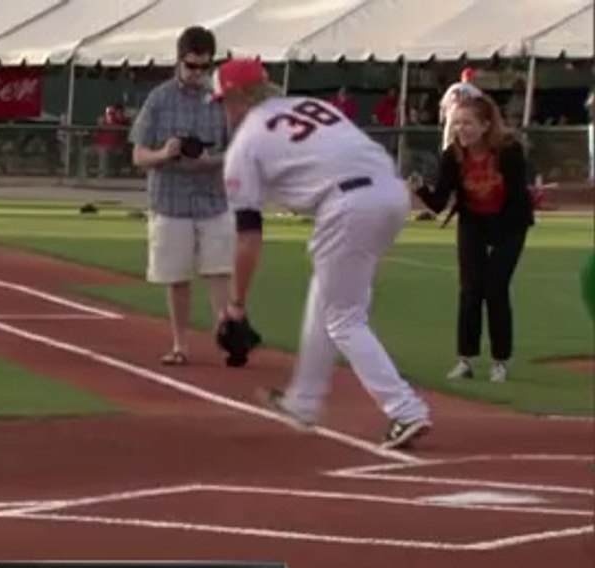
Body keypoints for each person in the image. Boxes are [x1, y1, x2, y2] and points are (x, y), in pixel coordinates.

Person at [214, 58, 432, 450]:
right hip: (392, 193)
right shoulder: (310, 106)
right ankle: (304, 400)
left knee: (343, 317)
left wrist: (235, 305)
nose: (222, 109)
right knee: (330, 296)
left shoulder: (246, 142)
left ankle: (405, 409)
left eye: (223, 100)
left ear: (238, 97)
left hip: (347, 204)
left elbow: (248, 238)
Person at [410, 96, 534, 384]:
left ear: (485, 125)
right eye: (456, 123)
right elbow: (440, 202)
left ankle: (500, 362)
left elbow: (517, 196)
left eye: (468, 123)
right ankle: (465, 359)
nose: (461, 129)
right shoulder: (453, 155)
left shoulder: (508, 152)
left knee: (496, 288)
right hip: (473, 222)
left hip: (509, 224)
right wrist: (420, 190)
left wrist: (498, 241)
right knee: (469, 291)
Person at [129, 26, 234, 366]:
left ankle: (227, 338)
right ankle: (180, 344)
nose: (197, 74)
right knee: (176, 276)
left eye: (204, 67)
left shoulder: (222, 100)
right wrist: (164, 153)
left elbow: (239, 153)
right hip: (170, 198)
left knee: (219, 271)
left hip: (212, 197)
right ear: (178, 62)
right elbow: (139, 155)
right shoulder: (159, 99)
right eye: (191, 66)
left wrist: (208, 161)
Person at [439, 67, 482, 150]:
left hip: (451, 119)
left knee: (448, 146)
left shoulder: (452, 87)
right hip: (466, 122)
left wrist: (442, 122)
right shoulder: (476, 91)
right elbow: (481, 109)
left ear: (462, 78)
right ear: (472, 79)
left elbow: (442, 106)